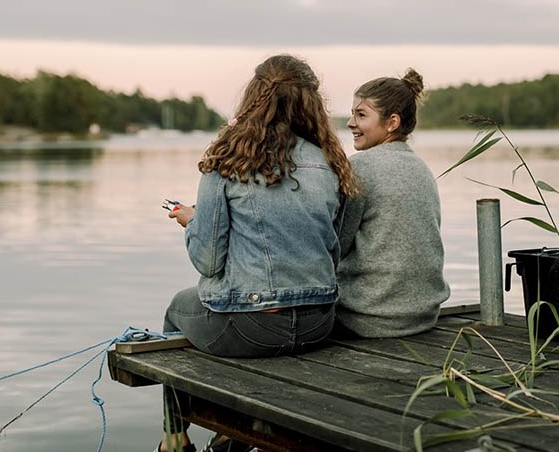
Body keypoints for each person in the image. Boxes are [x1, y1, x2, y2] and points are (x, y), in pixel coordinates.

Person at [159, 54, 358, 452]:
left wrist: (193, 223)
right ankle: (230, 435)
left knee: (177, 310)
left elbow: (208, 261)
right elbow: (331, 248)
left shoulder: (227, 161)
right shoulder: (331, 163)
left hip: (254, 328)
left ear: (253, 97)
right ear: (311, 103)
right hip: (320, 323)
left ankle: (174, 440)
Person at [336, 69, 450, 338]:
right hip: (423, 315)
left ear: (392, 123)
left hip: (367, 318)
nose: (351, 123)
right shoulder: (422, 168)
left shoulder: (359, 167)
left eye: (361, 115)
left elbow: (336, 245)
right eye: (352, 114)